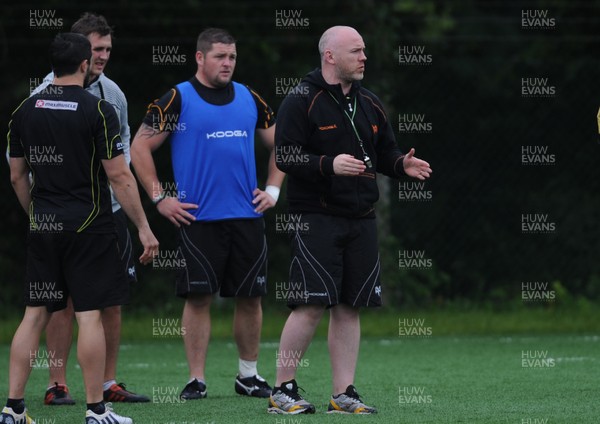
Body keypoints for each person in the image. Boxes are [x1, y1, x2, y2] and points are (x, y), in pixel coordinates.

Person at [267, 26, 432, 415]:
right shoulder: (300, 99)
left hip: (361, 217)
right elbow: (284, 157)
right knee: (310, 303)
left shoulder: (370, 102)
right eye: (356, 51)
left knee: (349, 306)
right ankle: (281, 389)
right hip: (316, 216)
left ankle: (343, 394)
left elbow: (386, 152)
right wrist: (329, 165)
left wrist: (401, 165)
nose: (364, 58)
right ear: (330, 56)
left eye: (364, 51)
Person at [3, 33, 158, 424]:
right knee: (89, 315)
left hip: (44, 227)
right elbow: (120, 176)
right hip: (90, 226)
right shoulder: (97, 109)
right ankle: (96, 411)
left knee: (33, 315)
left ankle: (13, 408)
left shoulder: (24, 110)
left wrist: (35, 215)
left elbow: (17, 175)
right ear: (85, 64)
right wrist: (143, 227)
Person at [131, 28, 285, 400]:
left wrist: (273, 190)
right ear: (200, 58)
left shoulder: (250, 97)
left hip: (247, 217)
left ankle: (248, 375)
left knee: (250, 297)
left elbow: (283, 144)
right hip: (197, 219)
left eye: (232, 57)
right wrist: (159, 198)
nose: (227, 63)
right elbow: (138, 147)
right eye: (220, 56)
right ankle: (196, 379)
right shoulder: (176, 99)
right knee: (198, 299)